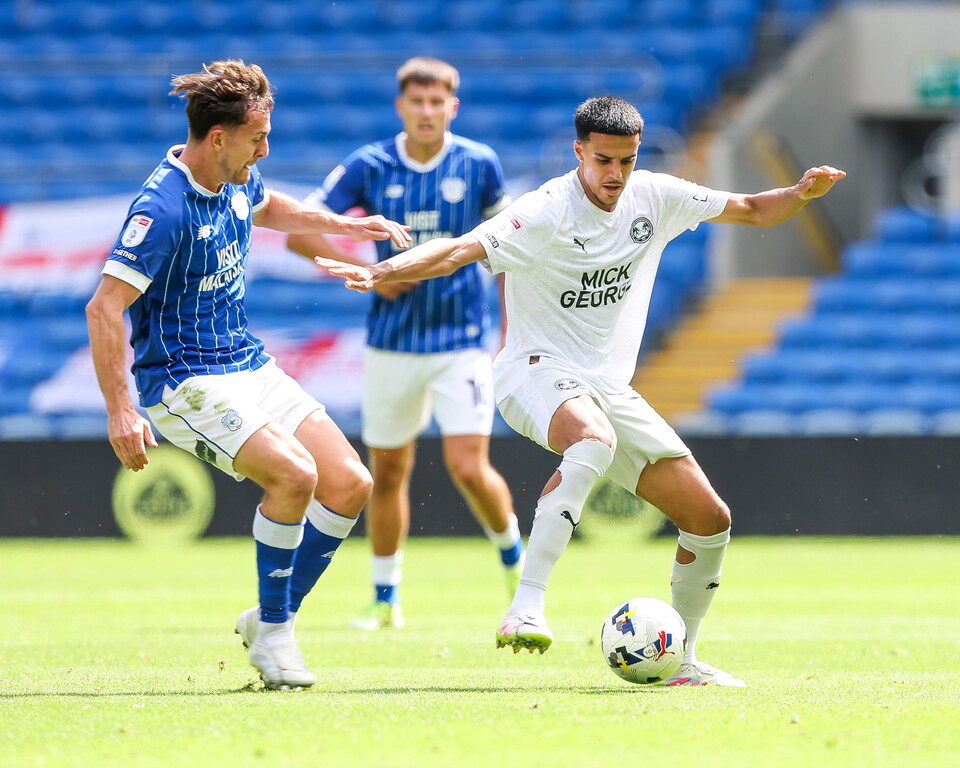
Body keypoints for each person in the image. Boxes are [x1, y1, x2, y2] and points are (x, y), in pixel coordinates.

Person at [317, 95, 846, 686]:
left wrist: (799, 195)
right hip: (530, 371)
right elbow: (461, 250)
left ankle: (684, 660)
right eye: (603, 161)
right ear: (578, 152)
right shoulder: (545, 209)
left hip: (606, 387)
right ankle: (525, 607)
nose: (615, 175)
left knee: (709, 518)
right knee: (591, 440)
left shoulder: (656, 196)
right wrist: (385, 270)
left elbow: (751, 207)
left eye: (626, 160)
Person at [85, 60, 411, 690]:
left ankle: (266, 617)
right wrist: (121, 409)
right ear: (218, 138)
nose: (265, 147)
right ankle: (279, 635)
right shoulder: (163, 208)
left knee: (348, 483)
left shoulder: (236, 174)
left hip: (245, 359)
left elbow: (267, 207)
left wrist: (343, 224)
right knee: (295, 476)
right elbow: (104, 307)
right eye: (257, 137)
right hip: (183, 378)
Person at [287, 57, 524, 631]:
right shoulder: (370, 165)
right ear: (401, 106)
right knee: (388, 473)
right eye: (416, 102)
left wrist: (511, 333)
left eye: (436, 102)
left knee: (468, 466)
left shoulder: (479, 164)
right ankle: (386, 599)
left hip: (461, 340)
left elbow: (512, 250)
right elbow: (300, 232)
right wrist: (370, 271)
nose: (426, 111)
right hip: (391, 344)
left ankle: (519, 570)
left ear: (452, 107)